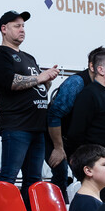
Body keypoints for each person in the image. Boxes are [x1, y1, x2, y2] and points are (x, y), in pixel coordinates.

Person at [0, 10, 60, 197]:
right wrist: (40, 77)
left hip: (37, 127)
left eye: (23, 26)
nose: (22, 30)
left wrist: (47, 80)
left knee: (34, 180)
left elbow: (36, 86)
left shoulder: (29, 57)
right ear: (4, 29)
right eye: (17, 26)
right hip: (17, 126)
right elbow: (11, 82)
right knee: (8, 178)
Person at [65, 47, 105, 203]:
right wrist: (80, 160)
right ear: (100, 70)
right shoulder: (89, 94)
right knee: (100, 208)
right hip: (98, 164)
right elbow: (76, 132)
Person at [44, 64, 88, 194]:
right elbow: (54, 114)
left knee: (87, 174)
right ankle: (56, 205)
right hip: (54, 135)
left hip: (73, 138)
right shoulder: (76, 82)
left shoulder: (102, 86)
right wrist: (58, 148)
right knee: (61, 172)